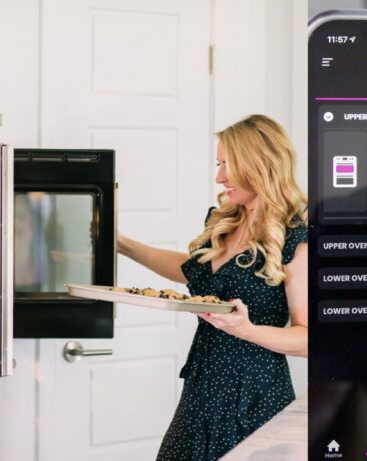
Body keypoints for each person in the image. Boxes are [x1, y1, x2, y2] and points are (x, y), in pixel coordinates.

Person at [117, 114, 308, 460]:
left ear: (258, 164)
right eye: (218, 163)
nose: (219, 176)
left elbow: (310, 338)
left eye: (227, 165)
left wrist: (247, 330)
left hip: (253, 399)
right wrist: (123, 245)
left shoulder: (295, 238)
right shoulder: (224, 220)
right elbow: (193, 271)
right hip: (200, 392)